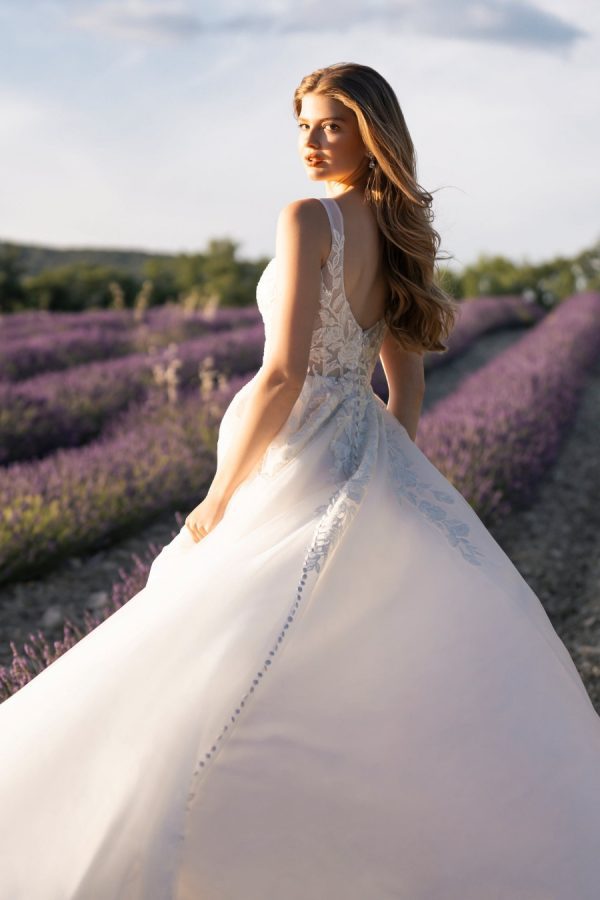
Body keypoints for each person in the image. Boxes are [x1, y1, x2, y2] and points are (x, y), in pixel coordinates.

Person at [1, 61, 600, 900]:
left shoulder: (307, 218)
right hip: (359, 443)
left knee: (215, 643)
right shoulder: (395, 235)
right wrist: (388, 478)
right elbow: (409, 386)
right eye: (305, 126)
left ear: (372, 133)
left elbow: (281, 375)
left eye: (332, 125)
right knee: (331, 649)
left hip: (296, 452)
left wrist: (218, 496)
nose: (313, 143)